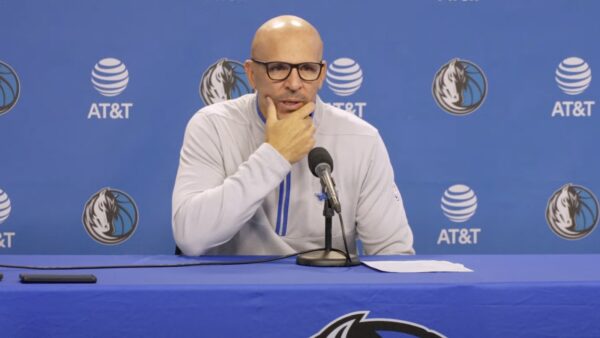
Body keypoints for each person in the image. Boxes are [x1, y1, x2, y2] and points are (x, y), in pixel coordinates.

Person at [172, 15, 414, 256]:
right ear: (251, 74)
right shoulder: (213, 125)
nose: (294, 83)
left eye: (307, 69)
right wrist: (275, 155)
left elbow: (393, 253)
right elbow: (191, 238)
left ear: (321, 75)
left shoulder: (362, 139)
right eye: (278, 68)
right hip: (233, 292)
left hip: (325, 293)